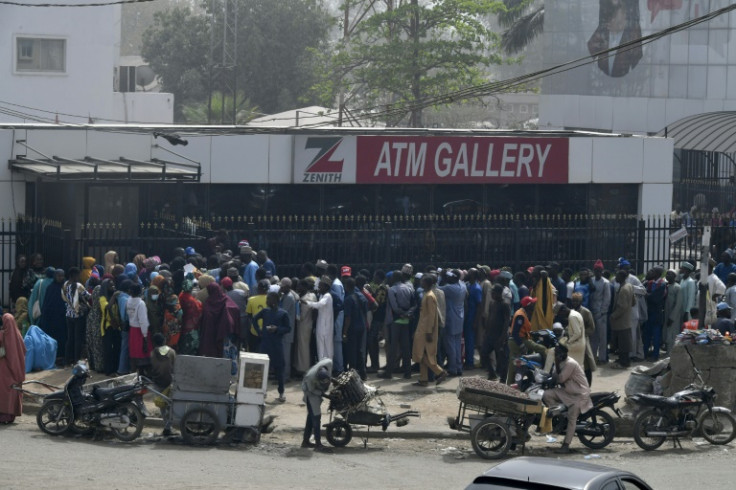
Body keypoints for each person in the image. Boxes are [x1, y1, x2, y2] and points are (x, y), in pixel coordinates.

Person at [542, 344, 593, 454]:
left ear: (563, 355)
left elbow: (560, 378)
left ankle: (566, 445)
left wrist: (555, 366)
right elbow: (554, 375)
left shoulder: (570, 363)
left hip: (579, 395)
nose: (556, 356)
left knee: (572, 418)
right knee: (546, 395)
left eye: (558, 354)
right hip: (567, 392)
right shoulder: (560, 363)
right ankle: (560, 415)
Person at [587, 0, 643, 78]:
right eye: (619, 23)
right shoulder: (602, 32)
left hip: (622, 85)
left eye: (624, 20)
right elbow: (586, 56)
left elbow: (638, 65)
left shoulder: (632, 36)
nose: (623, 25)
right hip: (602, 82)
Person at [411, 274, 448, 387]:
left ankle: (440, 372)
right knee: (421, 354)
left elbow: (431, 316)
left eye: (422, 281)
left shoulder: (430, 296)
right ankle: (423, 379)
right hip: (422, 328)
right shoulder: (426, 294)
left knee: (421, 355)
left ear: (427, 283)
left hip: (426, 330)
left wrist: (428, 332)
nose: (420, 283)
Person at [254, 292, 291, 402]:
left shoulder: (283, 313)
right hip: (265, 344)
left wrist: (277, 329)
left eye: (268, 299)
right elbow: (254, 319)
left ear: (274, 301)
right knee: (262, 369)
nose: (266, 301)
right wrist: (259, 331)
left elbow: (288, 328)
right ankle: (262, 392)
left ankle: (281, 392)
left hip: (276, 345)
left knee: (279, 369)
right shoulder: (265, 311)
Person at [507, 296, 547, 384]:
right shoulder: (520, 315)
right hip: (517, 341)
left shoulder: (523, 313)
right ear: (528, 305)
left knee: (514, 364)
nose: (534, 305)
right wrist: (522, 346)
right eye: (532, 304)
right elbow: (515, 332)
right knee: (542, 349)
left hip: (519, 339)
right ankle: (546, 371)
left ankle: (510, 384)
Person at [301, 358, 333, 453]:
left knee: (310, 418)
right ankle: (318, 444)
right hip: (311, 395)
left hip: (315, 390)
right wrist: (323, 394)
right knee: (316, 417)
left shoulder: (328, 364)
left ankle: (305, 441)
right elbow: (309, 390)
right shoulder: (310, 378)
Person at [200, 282, 239, 358]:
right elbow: (236, 309)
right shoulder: (225, 300)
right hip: (223, 332)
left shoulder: (208, 302)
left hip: (213, 333)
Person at [0, 313, 27, 424]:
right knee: (13, 391)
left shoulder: (3, 335)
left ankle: (3, 415)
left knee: (4, 392)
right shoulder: (18, 335)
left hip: (5, 369)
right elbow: (24, 350)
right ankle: (10, 416)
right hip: (17, 369)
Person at [439, 270, 465, 378]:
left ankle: (453, 369)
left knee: (450, 345)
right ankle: (458, 367)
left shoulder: (450, 288)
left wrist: (441, 277)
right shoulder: (462, 285)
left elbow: (435, 288)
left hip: (451, 318)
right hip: (460, 317)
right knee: (457, 344)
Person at [342, 277, 369, 380]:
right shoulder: (361, 296)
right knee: (360, 350)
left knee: (352, 351)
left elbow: (348, 318)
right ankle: (363, 374)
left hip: (352, 328)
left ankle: (352, 375)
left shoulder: (348, 299)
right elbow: (366, 312)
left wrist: (344, 333)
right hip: (362, 326)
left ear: (347, 286)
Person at [150, 332, 176, 436]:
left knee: (162, 405)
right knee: (171, 405)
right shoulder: (172, 352)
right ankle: (168, 427)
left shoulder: (152, 354)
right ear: (164, 341)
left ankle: (167, 426)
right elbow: (174, 367)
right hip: (169, 382)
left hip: (157, 382)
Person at [483, 284, 510, 382]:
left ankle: (503, 378)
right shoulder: (492, 304)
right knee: (484, 353)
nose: (492, 294)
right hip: (490, 335)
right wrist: (486, 332)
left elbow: (506, 322)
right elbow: (489, 318)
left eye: (494, 293)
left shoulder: (505, 305)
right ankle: (492, 373)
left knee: (502, 359)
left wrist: (503, 337)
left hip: (499, 336)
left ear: (499, 293)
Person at [304, 276, 334, 362]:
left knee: (326, 348)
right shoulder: (322, 295)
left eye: (321, 286)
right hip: (321, 326)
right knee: (321, 349)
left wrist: (306, 302)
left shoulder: (327, 296)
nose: (319, 287)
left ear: (326, 287)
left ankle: (327, 369)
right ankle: (323, 367)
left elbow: (318, 305)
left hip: (325, 327)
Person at [610, 269, 635, 369]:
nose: (615, 277)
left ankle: (624, 362)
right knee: (623, 342)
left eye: (617, 276)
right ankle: (622, 359)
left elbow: (622, 307)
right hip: (626, 319)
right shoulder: (629, 286)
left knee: (623, 343)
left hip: (621, 321)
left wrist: (613, 315)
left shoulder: (624, 289)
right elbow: (633, 302)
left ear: (621, 277)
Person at [643, 267, 667, 361]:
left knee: (656, 336)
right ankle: (645, 353)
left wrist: (647, 295)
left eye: (652, 271)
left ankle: (655, 355)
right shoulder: (650, 283)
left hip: (657, 312)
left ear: (657, 273)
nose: (650, 272)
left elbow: (655, 298)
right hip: (649, 311)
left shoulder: (662, 284)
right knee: (647, 334)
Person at [126, 283, 151, 374]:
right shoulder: (141, 303)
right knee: (142, 352)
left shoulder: (128, 301)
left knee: (134, 352)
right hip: (140, 330)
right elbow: (143, 320)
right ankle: (143, 374)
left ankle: (135, 372)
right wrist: (145, 336)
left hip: (132, 329)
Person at [590, 260, 611, 363]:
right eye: (596, 270)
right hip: (592, 311)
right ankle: (593, 357)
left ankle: (602, 358)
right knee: (593, 336)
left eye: (599, 270)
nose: (597, 272)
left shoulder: (606, 282)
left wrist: (603, 311)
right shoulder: (592, 280)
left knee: (602, 337)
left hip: (601, 313)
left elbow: (607, 299)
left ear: (602, 271)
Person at [99, 279, 120, 376]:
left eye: (113, 285)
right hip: (107, 326)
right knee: (108, 350)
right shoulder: (103, 298)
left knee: (116, 348)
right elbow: (107, 307)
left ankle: (116, 368)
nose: (113, 287)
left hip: (116, 325)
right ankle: (109, 370)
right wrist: (114, 296)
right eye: (110, 286)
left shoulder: (115, 298)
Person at [178, 273, 202, 355]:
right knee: (191, 348)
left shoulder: (180, 296)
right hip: (191, 328)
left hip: (182, 325)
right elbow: (197, 312)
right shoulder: (191, 300)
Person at [279, 277, 298, 380]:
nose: (280, 289)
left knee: (286, 355)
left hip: (287, 330)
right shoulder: (286, 296)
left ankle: (285, 376)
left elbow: (281, 311)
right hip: (285, 329)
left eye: (282, 287)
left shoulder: (289, 297)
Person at [245, 279, 270, 353]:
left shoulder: (251, 300)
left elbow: (249, 316)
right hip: (268, 331)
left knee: (253, 353)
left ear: (258, 288)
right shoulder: (271, 299)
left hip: (254, 331)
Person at [663, 269, 683, 356]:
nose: (668, 276)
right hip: (665, 314)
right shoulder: (666, 286)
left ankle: (672, 354)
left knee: (672, 334)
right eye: (667, 274)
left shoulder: (677, 287)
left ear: (674, 276)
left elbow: (678, 304)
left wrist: (672, 317)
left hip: (673, 316)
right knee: (666, 334)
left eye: (670, 274)